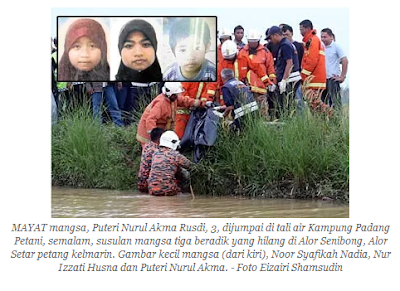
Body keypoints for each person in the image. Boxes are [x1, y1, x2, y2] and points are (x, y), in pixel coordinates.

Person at [136, 82, 206, 146]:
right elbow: (150, 119)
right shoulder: (160, 104)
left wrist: (199, 103)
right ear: (170, 94)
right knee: (150, 153)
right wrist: (155, 136)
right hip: (147, 134)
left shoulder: (172, 99)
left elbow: (184, 100)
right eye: (176, 95)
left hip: (158, 130)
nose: (177, 97)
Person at [207, 40, 271, 104]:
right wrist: (209, 98)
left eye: (231, 58)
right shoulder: (221, 64)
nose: (230, 60)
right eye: (228, 59)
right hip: (227, 95)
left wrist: (267, 83)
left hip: (243, 92)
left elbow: (258, 68)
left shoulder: (244, 59)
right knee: (229, 112)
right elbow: (214, 82)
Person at [266, 26, 301, 117]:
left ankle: (286, 121)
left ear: (276, 35)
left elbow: (289, 63)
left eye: (271, 38)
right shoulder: (285, 44)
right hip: (289, 78)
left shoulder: (285, 45)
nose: (270, 41)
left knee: (285, 104)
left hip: (290, 79)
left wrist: (284, 80)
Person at [299, 19, 330, 114]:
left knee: (316, 104)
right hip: (313, 79)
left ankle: (333, 116)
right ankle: (323, 122)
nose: (300, 32)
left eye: (301, 29)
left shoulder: (313, 40)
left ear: (308, 28)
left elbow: (311, 61)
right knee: (314, 106)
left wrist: (303, 77)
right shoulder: (311, 40)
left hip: (314, 80)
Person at [148, 131, 191, 196]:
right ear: (173, 143)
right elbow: (190, 166)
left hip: (152, 189)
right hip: (168, 189)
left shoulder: (155, 154)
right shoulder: (175, 155)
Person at [241, 29, 276, 95]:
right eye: (251, 41)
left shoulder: (265, 52)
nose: (252, 43)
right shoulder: (242, 52)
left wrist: (272, 82)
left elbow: (270, 68)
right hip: (246, 89)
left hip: (262, 87)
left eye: (254, 41)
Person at [321, 28, 348, 108]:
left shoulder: (336, 47)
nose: (323, 39)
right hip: (322, 79)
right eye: (321, 37)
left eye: (325, 37)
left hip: (332, 78)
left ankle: (337, 119)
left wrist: (342, 76)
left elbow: (345, 60)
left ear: (331, 37)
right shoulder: (321, 47)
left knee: (335, 102)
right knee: (323, 103)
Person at [137, 128, 165, 193]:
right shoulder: (156, 150)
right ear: (160, 139)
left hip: (141, 182)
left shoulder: (147, 146)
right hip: (149, 184)